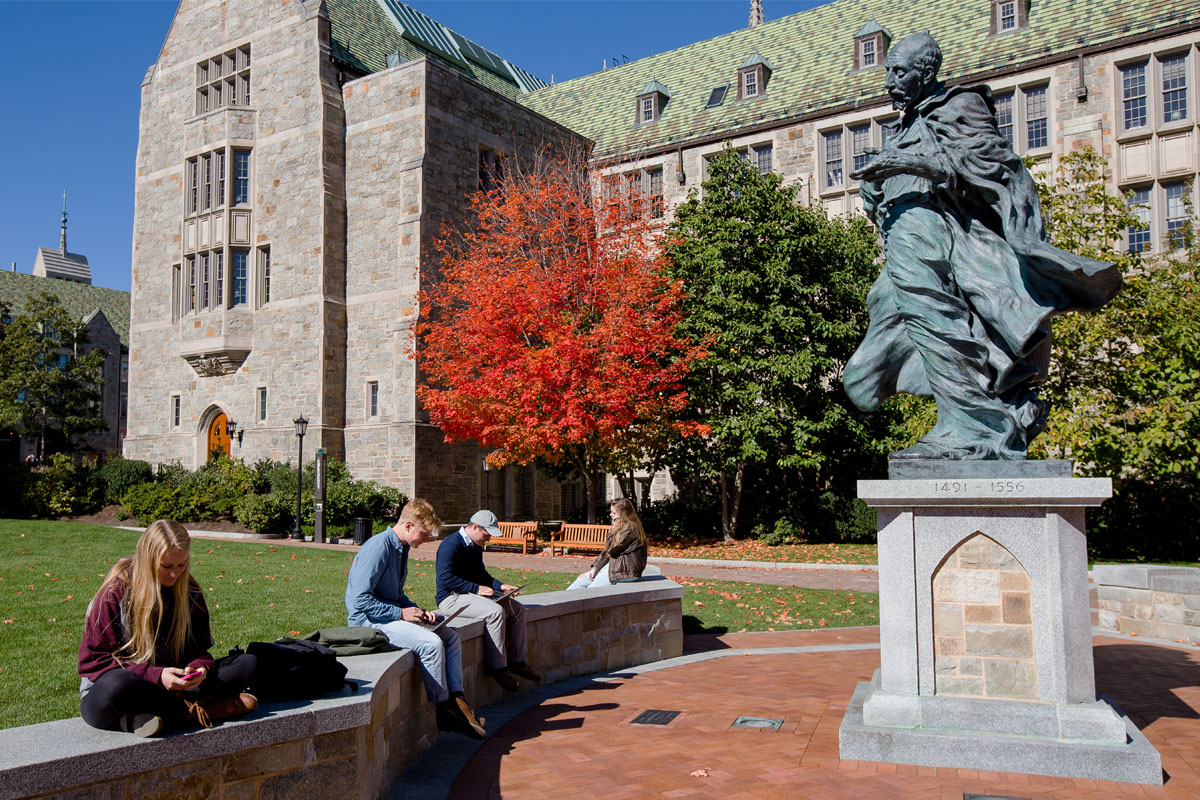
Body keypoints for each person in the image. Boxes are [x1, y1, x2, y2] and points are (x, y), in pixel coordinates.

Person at [843, 32, 1121, 460]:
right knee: (863, 375)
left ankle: (971, 426)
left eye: (899, 71)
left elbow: (996, 168)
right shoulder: (905, 125)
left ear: (926, 72)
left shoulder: (959, 107)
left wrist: (907, 164)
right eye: (888, 72)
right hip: (902, 247)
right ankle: (981, 418)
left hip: (941, 244)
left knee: (939, 330)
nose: (890, 80)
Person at [78, 520, 258, 737]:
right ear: (148, 560)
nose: (174, 574)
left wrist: (199, 669)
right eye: (166, 566)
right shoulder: (114, 593)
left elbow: (199, 651)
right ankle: (196, 711)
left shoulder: (189, 591)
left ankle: (160, 716)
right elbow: (92, 662)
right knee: (117, 686)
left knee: (247, 663)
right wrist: (156, 675)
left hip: (176, 685)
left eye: (181, 565)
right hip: (128, 689)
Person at [345, 497, 487, 739]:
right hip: (368, 621)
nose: (428, 539)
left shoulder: (402, 547)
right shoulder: (377, 547)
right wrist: (400, 613)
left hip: (388, 615)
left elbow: (396, 595)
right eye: (425, 532)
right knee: (431, 644)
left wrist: (418, 611)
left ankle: (458, 702)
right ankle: (444, 710)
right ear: (409, 525)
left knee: (450, 636)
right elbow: (359, 602)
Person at [435, 510, 542, 692]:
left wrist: (501, 587)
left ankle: (517, 662)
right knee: (495, 612)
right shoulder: (450, 544)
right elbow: (445, 578)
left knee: (516, 609)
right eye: (487, 534)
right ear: (475, 527)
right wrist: (476, 589)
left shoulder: (475, 546)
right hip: (451, 599)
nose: (489, 539)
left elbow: (482, 575)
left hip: (471, 596)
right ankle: (498, 668)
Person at [568, 498, 648, 590]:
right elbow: (607, 551)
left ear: (622, 515)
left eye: (613, 513)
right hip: (618, 567)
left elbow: (611, 549)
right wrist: (595, 568)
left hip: (626, 572)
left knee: (592, 590)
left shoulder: (630, 529)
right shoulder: (623, 527)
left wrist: (613, 529)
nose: (610, 515)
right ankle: (561, 600)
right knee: (582, 579)